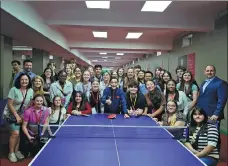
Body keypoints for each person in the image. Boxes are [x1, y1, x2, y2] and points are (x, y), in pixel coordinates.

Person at [2, 73, 34, 162]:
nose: (24, 81)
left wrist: (24, 115)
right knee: (15, 133)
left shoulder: (31, 90)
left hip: (22, 115)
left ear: (29, 81)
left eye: (26, 80)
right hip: (10, 114)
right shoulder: (14, 89)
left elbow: (29, 104)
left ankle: (16, 151)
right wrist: (17, 116)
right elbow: (10, 104)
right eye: (22, 80)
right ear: (19, 81)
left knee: (18, 134)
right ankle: (11, 153)